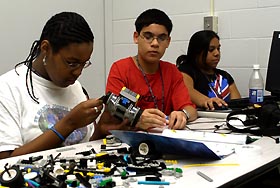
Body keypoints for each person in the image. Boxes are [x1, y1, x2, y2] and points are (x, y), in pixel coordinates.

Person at [0, 12, 103, 159]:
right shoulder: (7, 89)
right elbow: (5, 162)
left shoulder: (76, 88)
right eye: (71, 63)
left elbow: (87, 146)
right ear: (46, 48)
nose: (78, 72)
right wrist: (68, 124)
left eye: (84, 63)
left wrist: (103, 129)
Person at [91, 9, 197, 140]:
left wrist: (183, 114)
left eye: (161, 38)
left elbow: (191, 110)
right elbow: (113, 108)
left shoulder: (172, 71)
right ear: (136, 37)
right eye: (148, 36)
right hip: (128, 140)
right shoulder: (121, 68)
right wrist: (138, 117)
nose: (155, 43)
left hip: (164, 139)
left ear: (168, 41)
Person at [176, 30, 241, 110]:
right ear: (197, 51)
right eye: (211, 49)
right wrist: (208, 101)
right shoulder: (185, 71)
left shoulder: (224, 76)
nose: (217, 53)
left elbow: (237, 104)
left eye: (218, 48)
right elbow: (187, 91)